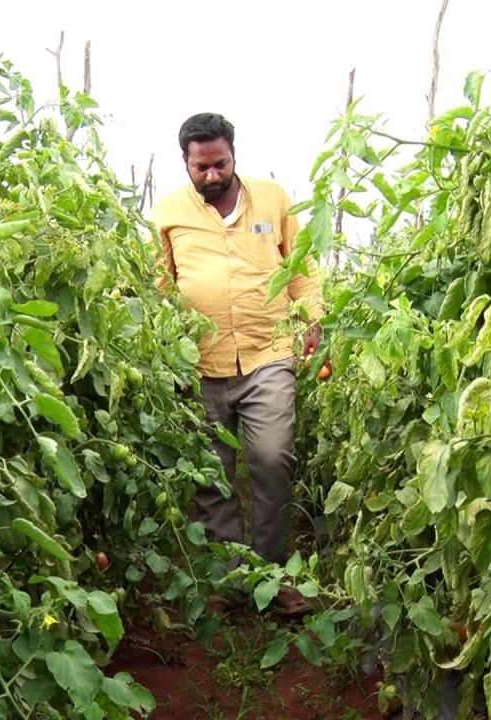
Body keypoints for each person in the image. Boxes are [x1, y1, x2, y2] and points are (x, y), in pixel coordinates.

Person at [149, 112, 324, 617]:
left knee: (271, 459)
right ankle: (229, 583)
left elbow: (303, 269)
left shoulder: (272, 199)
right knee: (213, 475)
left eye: (219, 164)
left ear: (234, 156)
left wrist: (313, 318)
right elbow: (160, 288)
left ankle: (274, 579)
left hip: (268, 352)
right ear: (185, 163)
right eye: (201, 167)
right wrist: (166, 352)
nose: (211, 175)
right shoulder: (168, 215)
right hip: (201, 363)